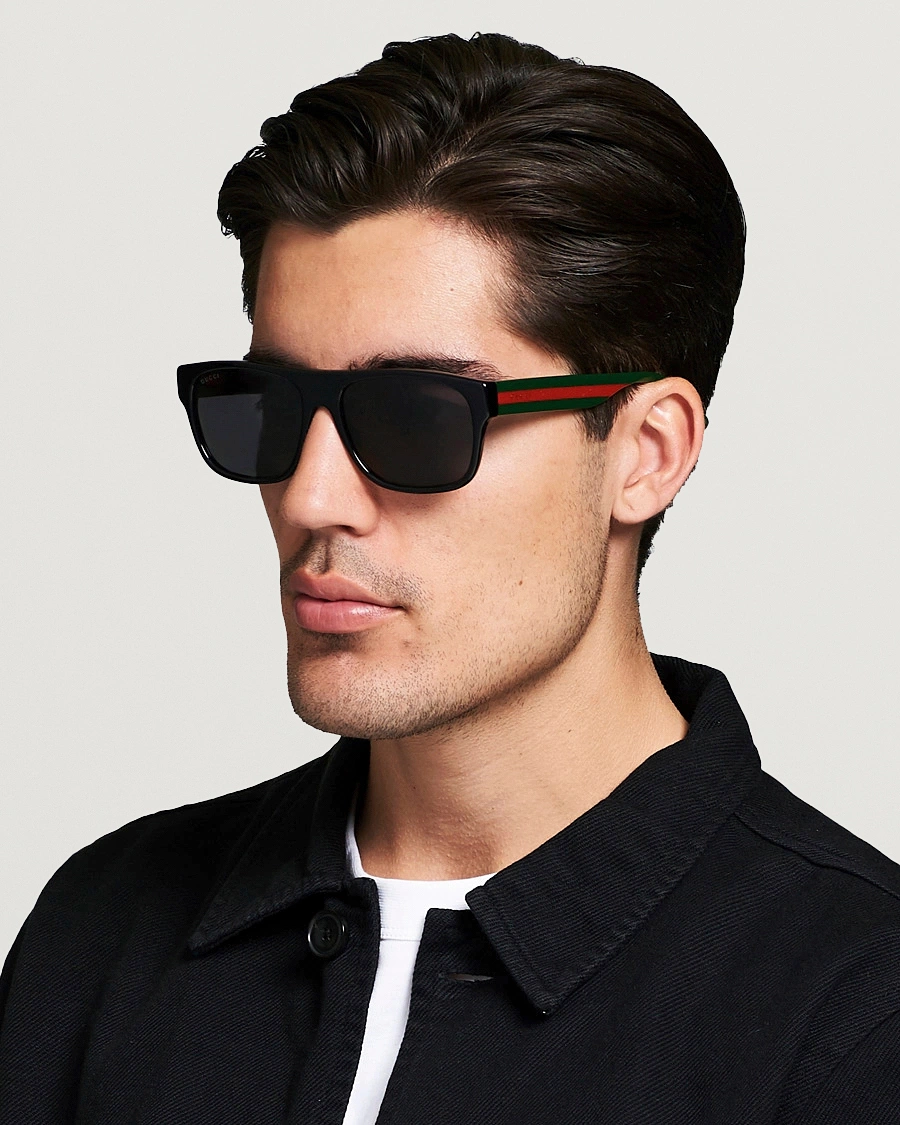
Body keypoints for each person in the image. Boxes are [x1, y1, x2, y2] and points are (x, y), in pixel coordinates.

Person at [1, 29, 898, 1124]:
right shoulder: (101, 935)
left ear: (646, 453)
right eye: (271, 409)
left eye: (417, 417)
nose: (312, 497)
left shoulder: (856, 1016)